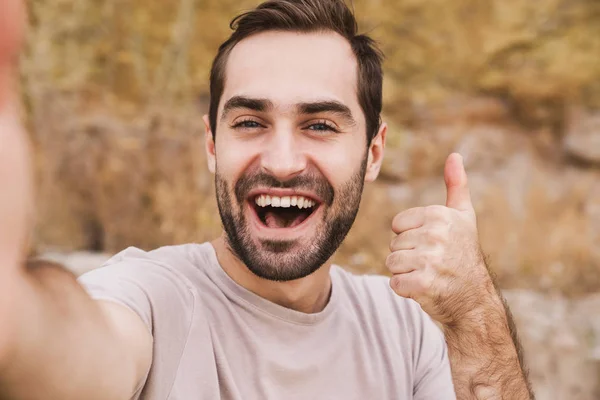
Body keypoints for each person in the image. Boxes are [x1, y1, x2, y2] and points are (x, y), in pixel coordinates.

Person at [0, 0, 534, 399]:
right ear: (213, 145)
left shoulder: (405, 329)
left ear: (373, 154)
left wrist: (473, 313)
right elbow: (75, 356)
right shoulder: (155, 300)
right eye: (250, 122)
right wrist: (16, 314)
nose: (281, 161)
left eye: (320, 125)